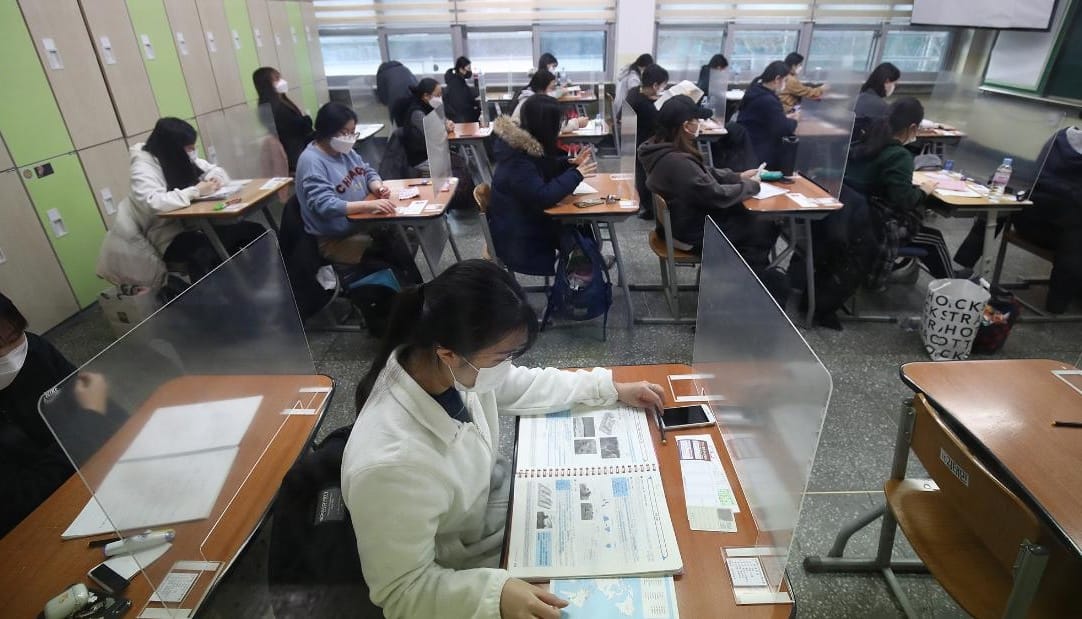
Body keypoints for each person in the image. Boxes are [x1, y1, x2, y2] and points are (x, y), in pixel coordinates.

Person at [342, 259, 665, 619]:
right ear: (448, 353)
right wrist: (494, 595)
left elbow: (517, 384)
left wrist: (609, 388)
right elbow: (402, 592)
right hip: (463, 572)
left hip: (498, 515)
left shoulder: (438, 366)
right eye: (503, 356)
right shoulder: (389, 466)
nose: (507, 366)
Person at [0, 293, 125, 537]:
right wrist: (90, 418)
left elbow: (100, 406)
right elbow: (22, 501)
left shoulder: (35, 350)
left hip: (92, 474)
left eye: (14, 336)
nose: (10, 355)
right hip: (42, 521)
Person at [639, 96, 786, 302]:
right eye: (696, 120)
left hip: (679, 222)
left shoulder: (659, 147)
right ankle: (738, 294)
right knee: (763, 227)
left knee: (754, 222)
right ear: (685, 125)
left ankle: (739, 282)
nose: (700, 124)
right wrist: (752, 185)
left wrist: (738, 176)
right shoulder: (678, 161)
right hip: (691, 232)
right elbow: (716, 195)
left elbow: (704, 173)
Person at [98, 117, 264, 287]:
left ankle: (258, 285)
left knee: (255, 231)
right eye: (189, 148)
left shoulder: (176, 157)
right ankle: (214, 303)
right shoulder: (143, 166)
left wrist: (215, 179)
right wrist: (196, 191)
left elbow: (214, 170)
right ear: (172, 148)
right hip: (164, 238)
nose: (193, 152)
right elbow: (152, 203)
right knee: (203, 254)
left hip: (195, 226)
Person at [953, 127, 1082, 313]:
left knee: (1001, 203)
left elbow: (1034, 175)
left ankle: (963, 265)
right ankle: (1057, 303)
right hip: (1062, 238)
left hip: (1026, 222)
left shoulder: (1061, 136)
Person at [845, 97, 955, 288]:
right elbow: (904, 200)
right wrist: (923, 191)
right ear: (913, 127)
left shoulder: (865, 143)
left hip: (850, 216)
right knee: (934, 239)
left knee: (928, 234)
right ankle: (954, 290)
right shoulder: (899, 155)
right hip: (875, 226)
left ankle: (911, 271)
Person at [488, 96, 597, 275]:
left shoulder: (522, 146)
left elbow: (541, 168)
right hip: (521, 237)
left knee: (581, 223)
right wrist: (577, 174)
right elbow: (543, 197)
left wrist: (569, 164)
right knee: (576, 225)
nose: (560, 128)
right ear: (546, 126)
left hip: (524, 220)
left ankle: (588, 260)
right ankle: (583, 268)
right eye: (558, 123)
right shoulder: (517, 160)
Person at [294, 102, 407, 269]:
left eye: (352, 132)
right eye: (344, 133)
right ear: (326, 131)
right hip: (335, 241)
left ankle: (414, 288)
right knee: (390, 252)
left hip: (361, 225)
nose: (350, 138)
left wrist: (377, 186)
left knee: (400, 239)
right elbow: (326, 205)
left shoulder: (345, 152)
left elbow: (367, 171)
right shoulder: (312, 162)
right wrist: (368, 205)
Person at [625, 64, 669, 220]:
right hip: (647, 145)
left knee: (641, 174)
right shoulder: (646, 106)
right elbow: (659, 123)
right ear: (656, 85)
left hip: (634, 142)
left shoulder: (634, 92)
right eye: (663, 85)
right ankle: (651, 208)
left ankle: (647, 203)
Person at [737, 61, 799, 170]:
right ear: (777, 79)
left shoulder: (755, 90)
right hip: (760, 151)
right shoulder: (768, 100)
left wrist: (786, 118)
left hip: (749, 145)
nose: (785, 85)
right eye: (785, 81)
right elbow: (783, 128)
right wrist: (795, 120)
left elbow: (769, 118)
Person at [252, 66, 313, 172]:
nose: (282, 82)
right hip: (293, 151)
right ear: (267, 84)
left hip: (298, 146)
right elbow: (296, 126)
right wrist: (306, 120)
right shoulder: (274, 107)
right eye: (276, 79)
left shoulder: (281, 101)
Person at [511, 71, 588, 133]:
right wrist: (577, 123)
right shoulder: (534, 104)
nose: (554, 92)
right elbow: (552, 126)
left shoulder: (532, 98)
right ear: (541, 89)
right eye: (552, 88)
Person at [853, 62, 901, 138]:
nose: (894, 87)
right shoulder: (882, 107)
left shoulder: (857, 97)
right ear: (887, 81)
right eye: (894, 83)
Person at [614, 53, 654, 119]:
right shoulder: (633, 77)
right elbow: (635, 94)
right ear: (644, 66)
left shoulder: (628, 69)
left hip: (619, 103)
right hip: (624, 108)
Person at [444, 56, 481, 123]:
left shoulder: (457, 80)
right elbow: (463, 103)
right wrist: (477, 105)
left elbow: (468, 92)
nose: (470, 71)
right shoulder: (456, 83)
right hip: (461, 118)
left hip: (460, 115)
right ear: (461, 69)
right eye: (468, 68)